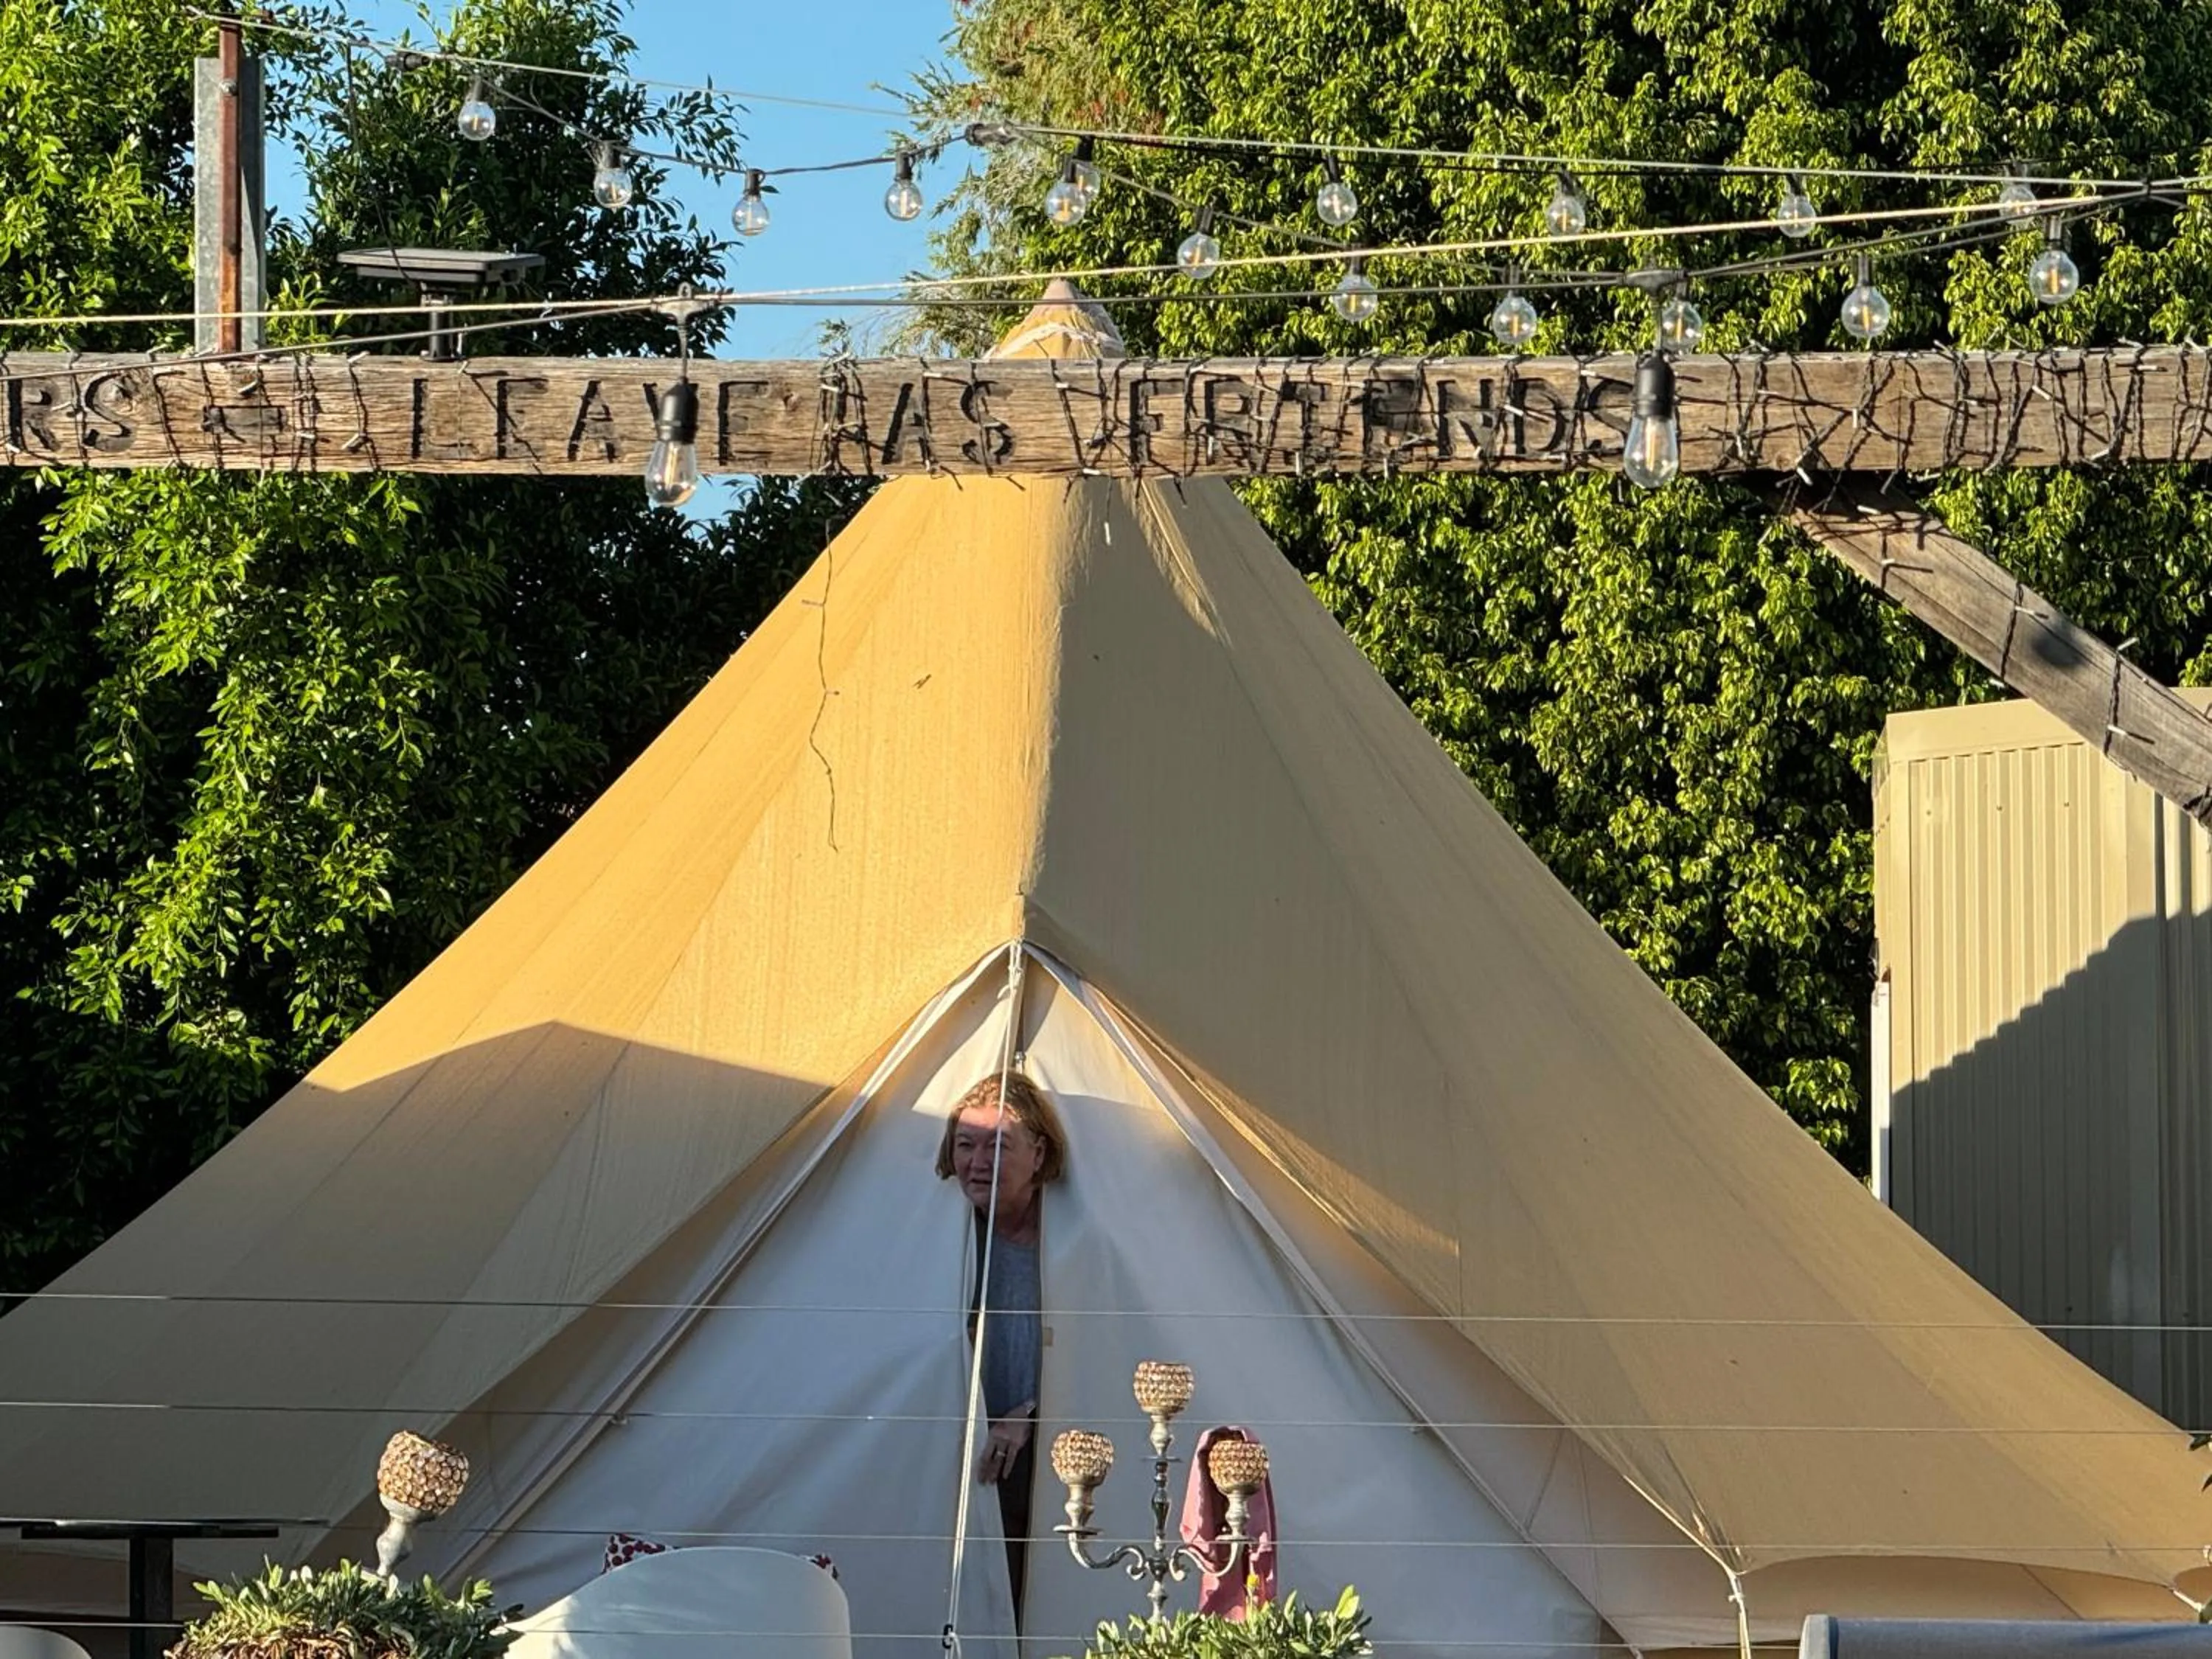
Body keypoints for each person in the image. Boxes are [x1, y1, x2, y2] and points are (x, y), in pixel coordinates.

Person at [936, 1069, 1067, 1615]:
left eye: (998, 1145)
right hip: (957, 1446)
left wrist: (1026, 1413)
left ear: (1038, 1155)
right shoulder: (949, 1236)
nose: (978, 1161)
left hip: (1045, 1453)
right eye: (966, 1145)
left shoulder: (1070, 1241)